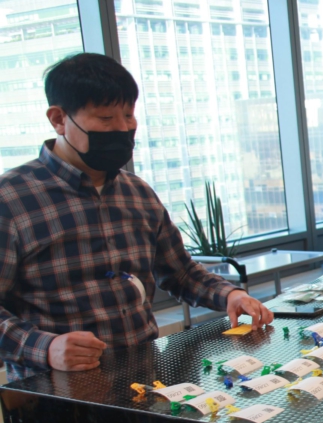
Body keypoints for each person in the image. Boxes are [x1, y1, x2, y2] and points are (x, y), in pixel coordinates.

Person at [0, 53, 273, 382]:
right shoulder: (11, 199)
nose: (122, 128)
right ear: (59, 119)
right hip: (56, 391)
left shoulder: (137, 192)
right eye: (105, 118)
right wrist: (45, 347)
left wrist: (232, 295)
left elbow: (180, 273)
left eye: (129, 115)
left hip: (143, 380)